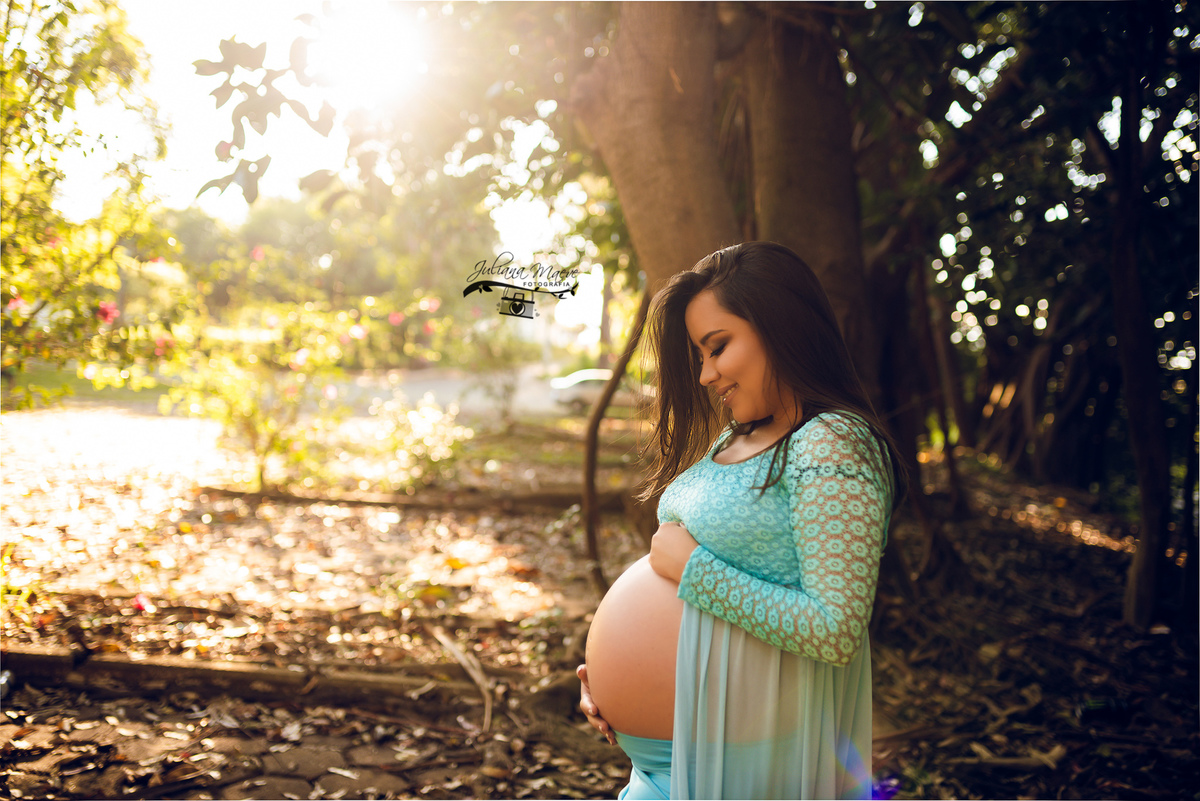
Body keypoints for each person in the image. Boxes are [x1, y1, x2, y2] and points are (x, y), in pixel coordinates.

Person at [577, 241, 907, 799]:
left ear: (780, 325)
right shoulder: (741, 434)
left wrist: (693, 570)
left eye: (718, 347)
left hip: (742, 765)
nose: (706, 375)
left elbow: (835, 629)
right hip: (669, 758)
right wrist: (607, 679)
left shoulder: (832, 442)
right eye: (700, 355)